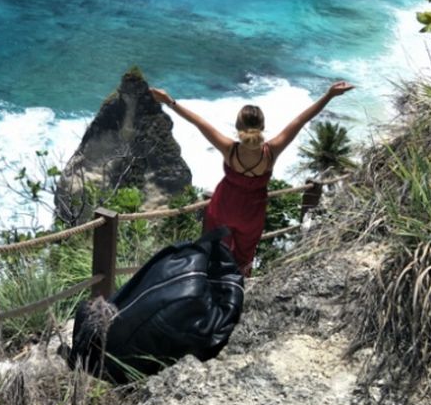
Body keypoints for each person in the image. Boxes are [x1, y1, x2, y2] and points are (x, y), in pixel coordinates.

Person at [149, 81, 354, 276]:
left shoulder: (230, 149)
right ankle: (237, 290)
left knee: (213, 251)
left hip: (224, 206)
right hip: (252, 213)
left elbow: (198, 122)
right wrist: (329, 95)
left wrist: (169, 101)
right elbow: (300, 120)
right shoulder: (270, 152)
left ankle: (209, 284)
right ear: (262, 127)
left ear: (239, 127)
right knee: (243, 260)